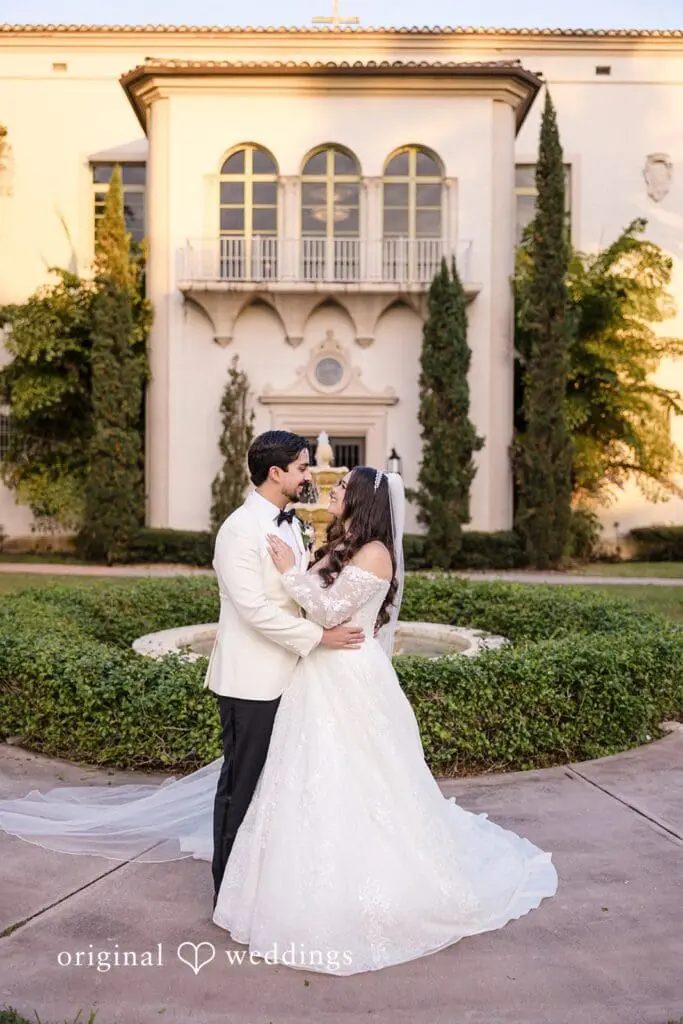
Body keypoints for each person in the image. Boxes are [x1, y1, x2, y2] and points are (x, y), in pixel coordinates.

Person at [0, 458, 558, 977]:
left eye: (341, 488)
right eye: (317, 476)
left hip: (349, 673)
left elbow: (330, 609)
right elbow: (311, 603)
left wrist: (293, 570)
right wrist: (306, 567)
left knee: (359, 775)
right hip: (317, 672)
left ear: (361, 500)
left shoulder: (376, 553)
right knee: (303, 774)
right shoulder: (339, 541)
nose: (329, 487)